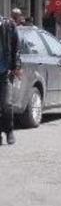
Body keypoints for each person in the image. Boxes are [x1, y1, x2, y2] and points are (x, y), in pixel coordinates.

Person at [0, 13, 21, 146]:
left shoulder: (8, 25)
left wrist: (16, 66)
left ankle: (9, 131)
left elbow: (16, 48)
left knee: (7, 104)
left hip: (5, 71)